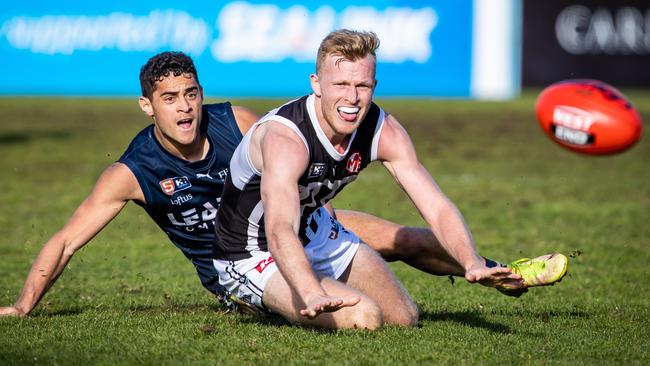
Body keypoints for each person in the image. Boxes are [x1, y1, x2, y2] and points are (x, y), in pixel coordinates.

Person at [0, 50, 564, 318]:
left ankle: (492, 270)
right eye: (170, 99)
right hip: (240, 254)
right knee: (359, 314)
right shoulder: (133, 171)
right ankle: (275, 304)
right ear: (148, 106)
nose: (185, 107)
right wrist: (24, 307)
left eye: (191, 93)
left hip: (299, 222)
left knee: (408, 240)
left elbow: (293, 172)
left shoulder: (238, 121)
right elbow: (67, 240)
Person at [211, 29, 568, 330]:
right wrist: (310, 291)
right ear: (316, 84)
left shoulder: (383, 129)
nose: (352, 98)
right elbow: (278, 230)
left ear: (374, 84)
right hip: (251, 251)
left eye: (362, 86)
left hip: (314, 228)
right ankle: (259, 301)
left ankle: (493, 268)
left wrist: (471, 261)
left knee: (403, 317)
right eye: (341, 85)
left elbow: (436, 207)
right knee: (365, 317)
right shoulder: (286, 138)